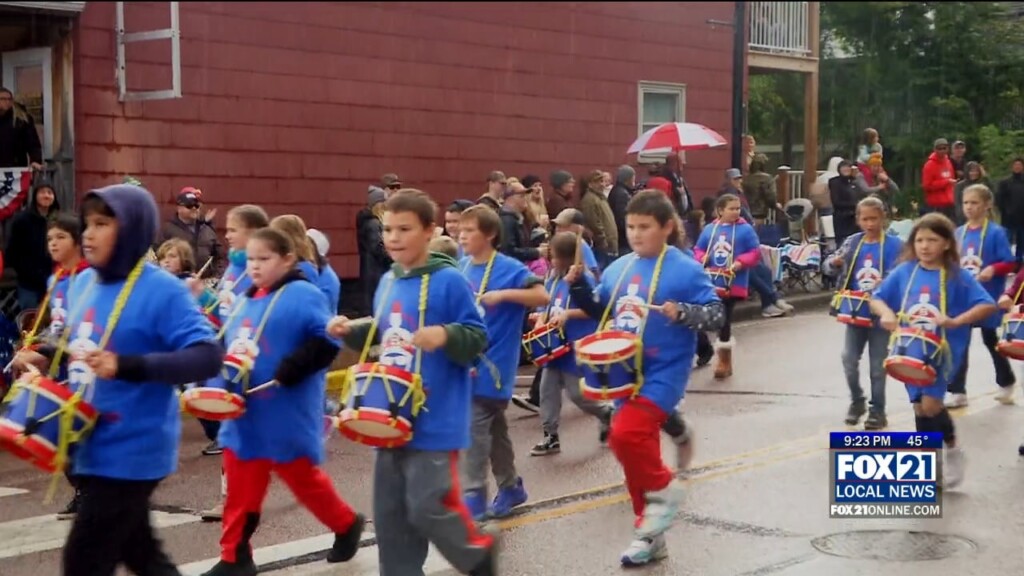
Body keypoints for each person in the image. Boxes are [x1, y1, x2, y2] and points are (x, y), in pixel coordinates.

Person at [13, 183, 224, 576]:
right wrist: (41, 356)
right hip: (88, 441)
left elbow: (207, 356)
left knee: (84, 560)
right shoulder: (83, 282)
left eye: (102, 224)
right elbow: (74, 341)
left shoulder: (162, 290)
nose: (88, 234)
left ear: (130, 229)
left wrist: (126, 365)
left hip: (133, 447)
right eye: (87, 224)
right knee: (142, 555)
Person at [328, 189, 498, 576]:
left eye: (404, 229)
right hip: (390, 415)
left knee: (426, 504)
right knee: (390, 519)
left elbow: (477, 336)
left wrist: (445, 335)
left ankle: (476, 554)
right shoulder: (389, 279)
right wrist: (351, 330)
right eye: (388, 229)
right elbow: (387, 330)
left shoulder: (449, 281)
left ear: (430, 231)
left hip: (436, 418)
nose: (393, 237)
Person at [568, 190, 723, 566]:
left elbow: (717, 315)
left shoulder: (685, 268)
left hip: (665, 370)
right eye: (631, 226)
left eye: (645, 227)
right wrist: (578, 286)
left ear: (667, 227)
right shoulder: (620, 267)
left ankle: (663, 489)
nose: (636, 234)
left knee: (625, 434)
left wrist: (683, 312)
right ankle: (650, 535)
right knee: (634, 451)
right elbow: (600, 307)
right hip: (623, 372)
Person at [201, 227, 365, 576]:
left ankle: (347, 523)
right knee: (240, 489)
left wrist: (295, 366)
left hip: (284, 411)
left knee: (306, 482)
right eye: (252, 259)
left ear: (287, 258)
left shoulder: (303, 294)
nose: (256, 266)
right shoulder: (246, 298)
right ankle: (234, 556)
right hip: (244, 413)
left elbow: (328, 341)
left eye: (265, 259)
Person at [870, 213, 998, 490]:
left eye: (932, 240)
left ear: (947, 244)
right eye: (919, 240)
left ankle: (952, 450)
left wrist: (955, 321)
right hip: (910, 350)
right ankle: (929, 466)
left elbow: (986, 304)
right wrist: (887, 314)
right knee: (919, 407)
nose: (925, 246)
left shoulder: (957, 275)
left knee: (931, 405)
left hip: (943, 352)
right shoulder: (905, 271)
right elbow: (877, 298)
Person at [458, 205, 548, 520]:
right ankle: (510, 487)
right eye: (460, 230)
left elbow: (542, 296)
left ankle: (473, 495)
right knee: (494, 428)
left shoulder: (509, 268)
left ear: (490, 234)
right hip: (464, 362)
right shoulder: (462, 267)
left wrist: (505, 296)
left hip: (493, 364)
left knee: (474, 426)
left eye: (469, 230)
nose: (462, 235)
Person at [528, 231, 613, 457]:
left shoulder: (582, 279)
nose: (550, 260)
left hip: (575, 343)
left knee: (577, 394)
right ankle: (550, 435)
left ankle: (606, 413)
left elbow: (592, 312)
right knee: (547, 389)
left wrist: (567, 314)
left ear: (566, 257)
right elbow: (548, 304)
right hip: (554, 345)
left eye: (554, 256)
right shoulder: (552, 278)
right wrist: (540, 317)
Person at [822, 197, 903, 430]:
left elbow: (900, 272)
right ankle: (857, 400)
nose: (869, 224)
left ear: (883, 218)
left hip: (881, 313)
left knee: (878, 365)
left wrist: (886, 282)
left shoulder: (894, 244)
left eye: (874, 218)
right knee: (848, 358)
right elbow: (828, 264)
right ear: (858, 220)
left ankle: (878, 410)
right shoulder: (853, 242)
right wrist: (834, 263)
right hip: (855, 310)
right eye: (865, 219)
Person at [946, 184, 1016, 408]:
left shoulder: (996, 232)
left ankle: (1006, 381)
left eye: (974, 203)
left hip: (987, 296)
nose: (969, 207)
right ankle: (957, 390)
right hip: (963, 298)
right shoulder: (959, 233)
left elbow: (1011, 262)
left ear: (987, 205)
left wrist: (994, 269)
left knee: (991, 339)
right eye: (966, 203)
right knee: (959, 342)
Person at [693, 194, 761, 379]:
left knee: (724, 318)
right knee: (702, 314)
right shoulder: (709, 229)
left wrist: (740, 262)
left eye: (738, 208)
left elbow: (755, 252)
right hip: (710, 281)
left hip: (732, 282)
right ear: (720, 210)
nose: (736, 212)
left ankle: (724, 360)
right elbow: (698, 249)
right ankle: (706, 348)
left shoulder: (745, 230)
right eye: (731, 208)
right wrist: (702, 258)